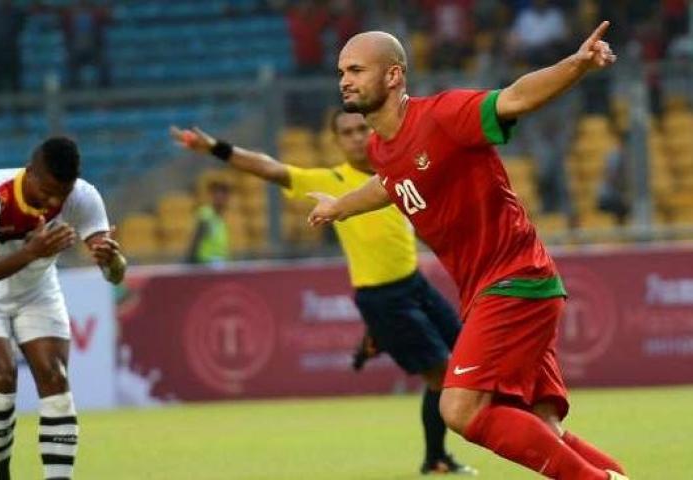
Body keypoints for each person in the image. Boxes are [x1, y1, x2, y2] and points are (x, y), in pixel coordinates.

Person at [307, 26, 628, 480]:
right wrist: (339, 206)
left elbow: (514, 98)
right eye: (342, 71)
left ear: (394, 75)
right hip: (498, 289)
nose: (345, 79)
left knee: (458, 408)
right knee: (540, 424)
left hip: (516, 281)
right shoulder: (382, 146)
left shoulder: (443, 116)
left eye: (357, 69)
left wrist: (578, 63)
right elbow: (391, 182)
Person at [170, 113, 477, 475]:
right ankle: (435, 458)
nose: (356, 137)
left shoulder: (396, 172)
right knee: (440, 374)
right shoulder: (330, 181)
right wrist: (216, 148)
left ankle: (380, 341)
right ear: (336, 141)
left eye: (362, 129)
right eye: (346, 132)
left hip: (415, 283)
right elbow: (270, 168)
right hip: (381, 297)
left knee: (467, 357)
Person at [0, 137, 127, 480]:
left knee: (55, 379)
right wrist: (31, 252)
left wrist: (113, 261)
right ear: (31, 173)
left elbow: (115, 276)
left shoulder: (83, 197)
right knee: (2, 377)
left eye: (62, 194)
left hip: (37, 290)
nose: (54, 201)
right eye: (48, 191)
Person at [187, 178, 231, 264]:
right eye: (218, 195)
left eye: (224, 196)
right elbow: (195, 241)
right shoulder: (205, 216)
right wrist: (190, 262)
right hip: (205, 263)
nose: (221, 199)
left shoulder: (221, 218)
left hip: (219, 262)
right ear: (213, 196)